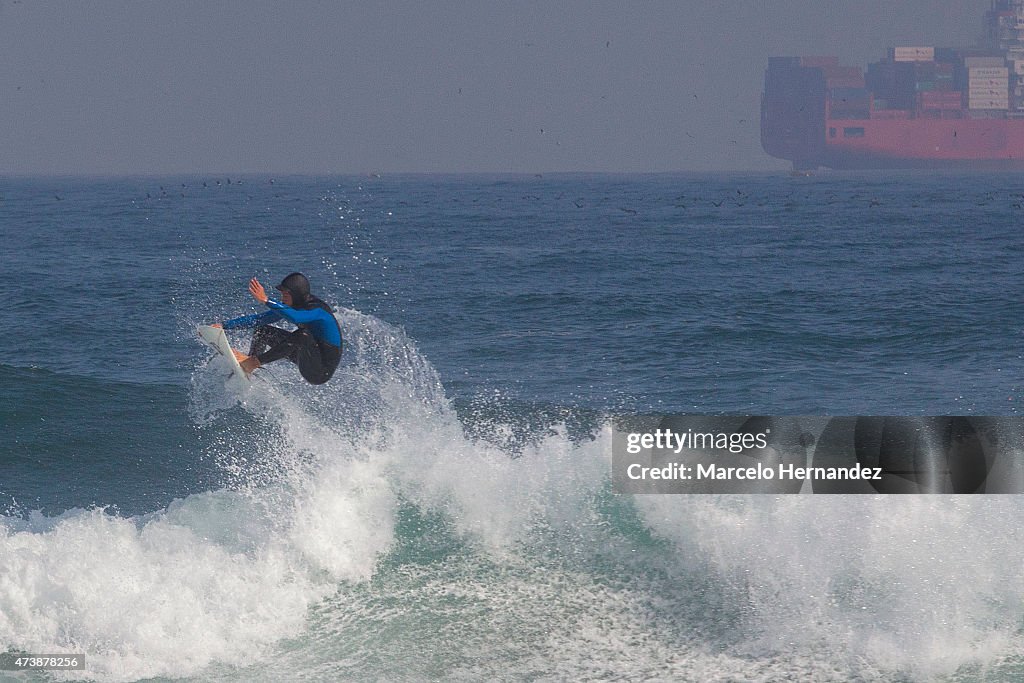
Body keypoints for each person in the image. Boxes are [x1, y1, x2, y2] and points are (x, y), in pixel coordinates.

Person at [214, 272, 342, 384]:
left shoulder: (318, 310)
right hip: (306, 355)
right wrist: (224, 325)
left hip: (320, 371)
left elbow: (297, 318)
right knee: (262, 330)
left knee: (302, 335)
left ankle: (252, 363)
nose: (282, 299)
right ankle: (248, 364)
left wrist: (266, 300)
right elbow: (260, 319)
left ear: (296, 295)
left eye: (285, 295)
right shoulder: (294, 304)